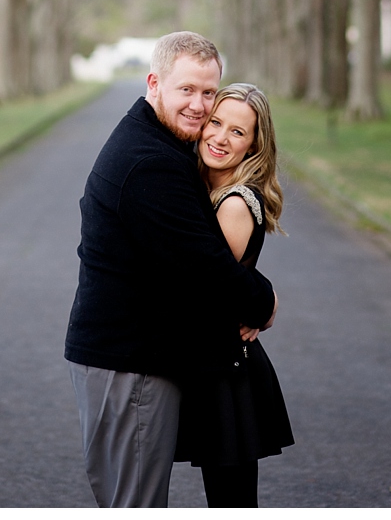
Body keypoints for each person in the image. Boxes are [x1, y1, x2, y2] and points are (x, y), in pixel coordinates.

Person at [64, 31, 278, 506]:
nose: (200, 106)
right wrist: (264, 300)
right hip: (128, 363)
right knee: (136, 504)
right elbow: (206, 270)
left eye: (208, 92)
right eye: (187, 90)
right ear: (154, 83)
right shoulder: (150, 164)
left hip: (131, 359)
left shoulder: (159, 142)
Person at [174, 83, 295, 506]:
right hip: (212, 363)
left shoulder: (235, 203)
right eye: (216, 123)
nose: (221, 138)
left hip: (227, 374)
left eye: (238, 132)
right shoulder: (199, 185)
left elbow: (210, 288)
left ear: (254, 148)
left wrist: (265, 302)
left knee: (232, 502)